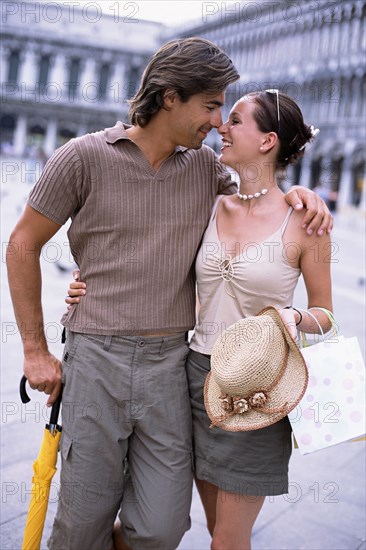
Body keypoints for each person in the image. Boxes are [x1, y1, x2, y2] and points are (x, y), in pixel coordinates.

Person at [7, 37, 331, 550]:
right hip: (96, 359)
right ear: (171, 96)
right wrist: (33, 349)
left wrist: (302, 195)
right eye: (211, 104)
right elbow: (22, 245)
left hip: (170, 367)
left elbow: (259, 196)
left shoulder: (205, 171)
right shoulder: (83, 156)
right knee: (81, 522)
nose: (219, 120)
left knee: (161, 528)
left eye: (226, 108)